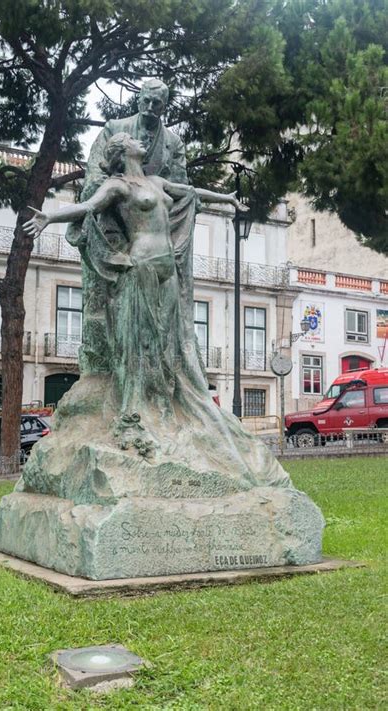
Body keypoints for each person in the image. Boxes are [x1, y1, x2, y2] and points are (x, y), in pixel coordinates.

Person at [23, 133, 288, 487]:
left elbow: (192, 194)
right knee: (142, 342)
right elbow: (87, 209)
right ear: (122, 152)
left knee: (166, 342)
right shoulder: (118, 187)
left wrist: (225, 197)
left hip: (167, 269)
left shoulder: (156, 181)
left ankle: (167, 404)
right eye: (131, 139)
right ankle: (138, 409)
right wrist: (49, 218)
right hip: (143, 263)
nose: (139, 140)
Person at [76, 79, 188, 374]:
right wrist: (118, 193)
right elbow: (95, 174)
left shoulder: (173, 143)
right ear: (138, 100)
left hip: (158, 227)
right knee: (112, 308)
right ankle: (106, 364)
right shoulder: (115, 128)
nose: (150, 109)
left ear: (165, 106)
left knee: (164, 319)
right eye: (146, 101)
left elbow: (182, 188)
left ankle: (165, 371)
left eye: (157, 104)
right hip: (116, 221)